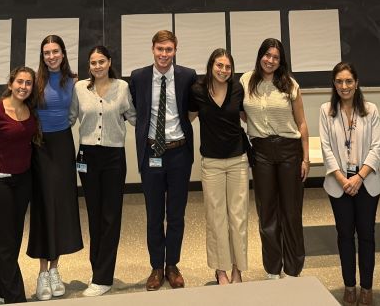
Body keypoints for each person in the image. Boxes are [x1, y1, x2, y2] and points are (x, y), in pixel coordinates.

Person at [129, 29, 198, 290]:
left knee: (176, 214)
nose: (164, 54)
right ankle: (157, 267)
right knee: (154, 214)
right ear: (153, 49)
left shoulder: (187, 76)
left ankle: (172, 266)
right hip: (152, 153)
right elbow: (136, 110)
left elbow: (191, 109)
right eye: (160, 49)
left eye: (169, 49)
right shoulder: (139, 77)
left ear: (175, 50)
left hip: (179, 152)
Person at [69, 45, 135, 297]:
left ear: (109, 62)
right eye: (93, 63)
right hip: (87, 157)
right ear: (89, 66)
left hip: (113, 157)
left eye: (101, 62)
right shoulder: (79, 88)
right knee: (94, 214)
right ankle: (97, 269)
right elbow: (69, 118)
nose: (97, 66)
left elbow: (134, 116)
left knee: (111, 216)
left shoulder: (122, 88)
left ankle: (103, 278)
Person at [241, 37, 309, 278]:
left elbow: (301, 122)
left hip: (290, 150)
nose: (270, 60)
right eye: (267, 55)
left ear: (281, 61)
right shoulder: (246, 81)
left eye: (276, 57)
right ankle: (272, 268)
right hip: (261, 152)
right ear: (260, 56)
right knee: (267, 212)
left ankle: (293, 269)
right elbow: (242, 112)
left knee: (291, 212)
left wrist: (305, 158)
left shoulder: (290, 84)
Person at [319, 61, 380, 306]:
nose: (344, 86)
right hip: (339, 183)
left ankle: (366, 288)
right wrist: (341, 178)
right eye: (339, 81)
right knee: (344, 235)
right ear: (334, 84)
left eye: (348, 81)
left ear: (356, 83)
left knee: (366, 235)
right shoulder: (326, 110)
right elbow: (326, 148)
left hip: (366, 181)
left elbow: (377, 147)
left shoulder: (370, 109)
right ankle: (349, 286)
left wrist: (359, 177)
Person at [28, 35, 84, 300]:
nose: (51, 56)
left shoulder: (73, 81)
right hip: (40, 146)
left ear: (63, 53)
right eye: (46, 52)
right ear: (42, 56)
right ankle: (42, 272)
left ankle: (54, 269)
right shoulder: (34, 81)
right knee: (43, 205)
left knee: (61, 206)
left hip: (63, 145)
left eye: (55, 51)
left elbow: (75, 113)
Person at [188, 48, 250, 285]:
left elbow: (248, 116)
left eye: (227, 67)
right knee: (216, 218)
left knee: (238, 217)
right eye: (219, 65)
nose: (223, 70)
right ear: (211, 66)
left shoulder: (237, 89)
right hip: (212, 162)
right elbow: (187, 118)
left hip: (238, 160)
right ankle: (220, 269)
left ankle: (237, 268)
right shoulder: (198, 90)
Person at [0, 66, 39, 304]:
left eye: (28, 83)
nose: (23, 87)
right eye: (20, 82)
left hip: (23, 182)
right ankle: (16, 298)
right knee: (6, 242)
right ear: (11, 83)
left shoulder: (30, 111)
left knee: (11, 239)